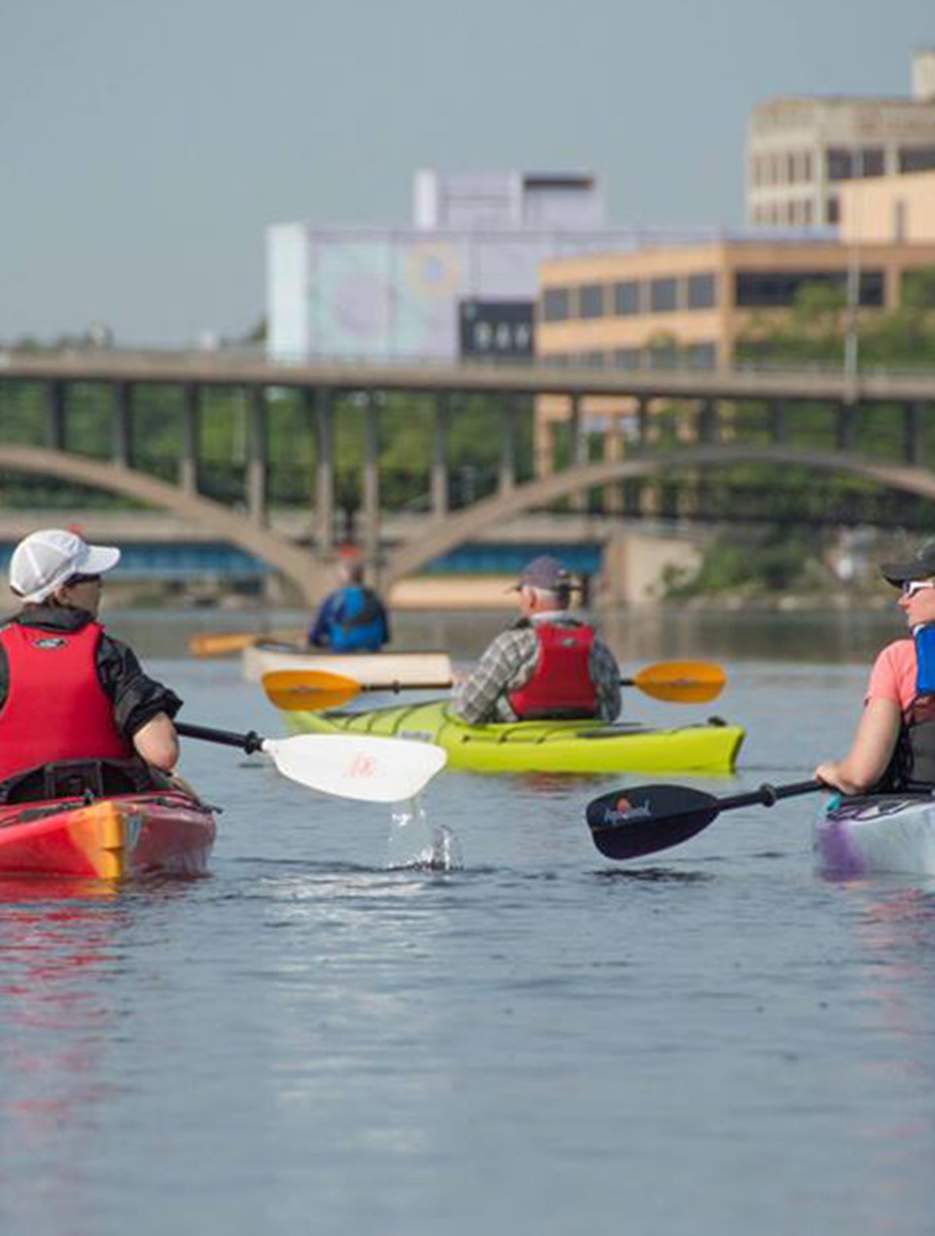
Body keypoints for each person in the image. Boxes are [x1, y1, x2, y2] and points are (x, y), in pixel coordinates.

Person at [0, 528, 182, 802]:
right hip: (107, 802)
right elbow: (162, 753)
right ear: (62, 593)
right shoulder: (110, 654)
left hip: (13, 803)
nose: (101, 585)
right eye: (92, 577)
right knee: (176, 783)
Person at [815, 541, 935, 796]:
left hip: (920, 809)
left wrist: (834, 772)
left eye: (911, 589)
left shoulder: (899, 658)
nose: (903, 601)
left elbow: (860, 776)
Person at [451, 554, 621, 725]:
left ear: (531, 597)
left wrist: (461, 686)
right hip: (579, 735)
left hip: (519, 737)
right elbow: (612, 710)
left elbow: (468, 711)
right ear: (568, 598)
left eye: (521, 593)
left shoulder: (512, 643)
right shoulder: (595, 646)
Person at [307, 551, 390, 652]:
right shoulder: (375, 598)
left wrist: (322, 644)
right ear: (362, 576)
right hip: (371, 650)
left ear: (344, 576)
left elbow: (314, 636)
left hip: (341, 651)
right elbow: (385, 638)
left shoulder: (333, 598)